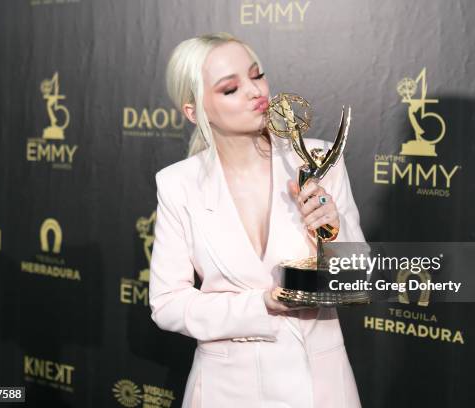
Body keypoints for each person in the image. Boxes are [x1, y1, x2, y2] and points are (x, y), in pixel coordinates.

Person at [149, 32, 365, 408]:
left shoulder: (316, 160)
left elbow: (358, 277)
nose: (255, 91)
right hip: (225, 390)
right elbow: (167, 305)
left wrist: (333, 229)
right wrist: (262, 304)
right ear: (193, 110)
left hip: (320, 386)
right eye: (231, 89)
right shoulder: (178, 185)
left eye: (257, 74)